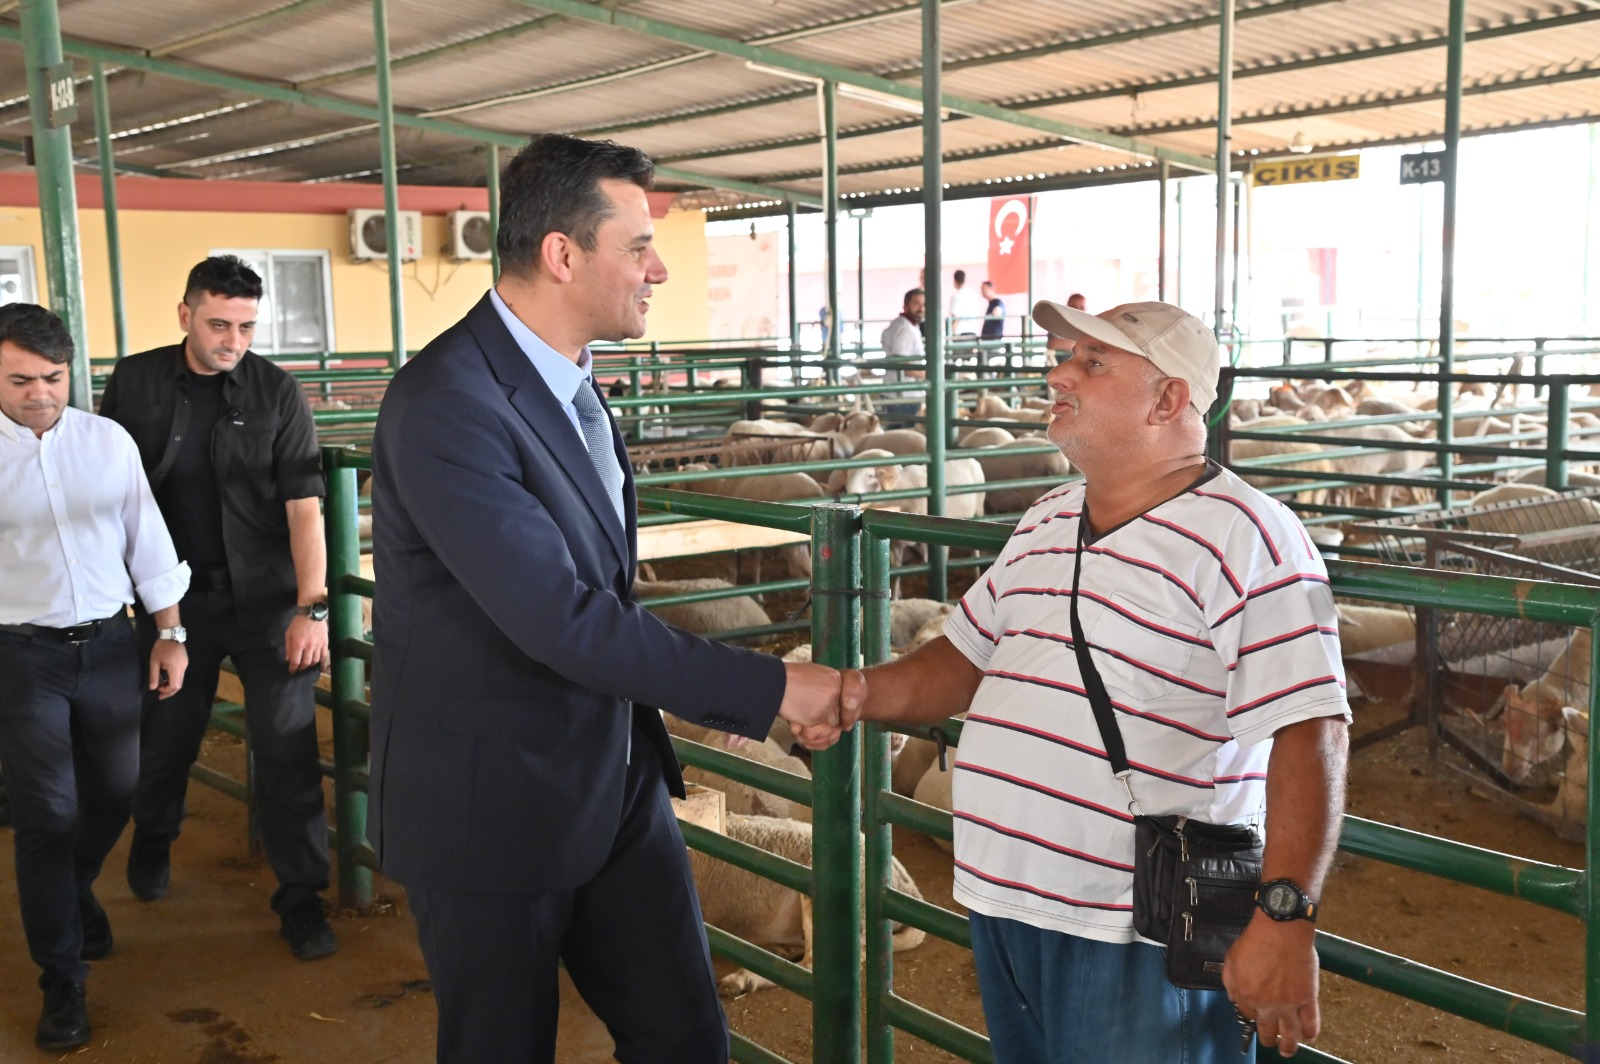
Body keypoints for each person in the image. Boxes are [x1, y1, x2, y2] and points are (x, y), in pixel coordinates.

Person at [369, 133, 848, 1064]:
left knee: (684, 1036)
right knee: (502, 1046)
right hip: (490, 804)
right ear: (562, 253)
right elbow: (560, 617)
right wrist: (775, 689)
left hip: (612, 775)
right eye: (638, 245)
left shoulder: (573, 387)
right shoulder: (446, 404)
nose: (659, 267)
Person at [837, 300, 1351, 1062]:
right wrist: (851, 695)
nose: (1058, 374)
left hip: (1134, 923)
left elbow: (1312, 726)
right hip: (1008, 897)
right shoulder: (1048, 516)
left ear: (1169, 399)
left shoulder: (1250, 536)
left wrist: (1283, 918)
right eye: (1067, 356)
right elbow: (965, 659)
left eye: (1092, 363)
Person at [99, 256, 337, 961]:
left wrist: (312, 608)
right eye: (218, 324)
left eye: (246, 325)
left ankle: (301, 897)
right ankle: (156, 836)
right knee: (168, 736)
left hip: (267, 603)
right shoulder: (136, 381)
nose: (233, 339)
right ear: (184, 315)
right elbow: (113, 492)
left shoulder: (276, 392)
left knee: (287, 748)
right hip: (173, 602)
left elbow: (305, 510)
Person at [0, 303, 190, 1050]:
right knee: (47, 810)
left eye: (52, 377)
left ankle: (75, 892)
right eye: (19, 380)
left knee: (115, 792)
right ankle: (63, 979)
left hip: (112, 644)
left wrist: (169, 631)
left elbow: (146, 536)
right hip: (21, 655)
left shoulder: (105, 442)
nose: (40, 393)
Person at [875, 287, 926, 417]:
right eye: (916, 304)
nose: (921, 308)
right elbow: (903, 364)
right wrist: (926, 375)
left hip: (898, 391)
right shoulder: (905, 329)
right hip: (905, 394)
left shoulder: (905, 325)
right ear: (906, 306)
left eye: (923, 304)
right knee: (905, 432)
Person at [1048, 292, 1089, 361]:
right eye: (1074, 307)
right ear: (1067, 307)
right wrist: (1083, 346)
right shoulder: (1057, 324)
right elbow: (1054, 344)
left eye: (1082, 307)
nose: (1078, 311)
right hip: (1061, 367)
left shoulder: (1088, 327)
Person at [948, 268, 986, 338]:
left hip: (959, 333)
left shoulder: (956, 296)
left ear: (954, 280)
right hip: (972, 331)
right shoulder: (974, 295)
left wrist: (951, 332)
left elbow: (955, 316)